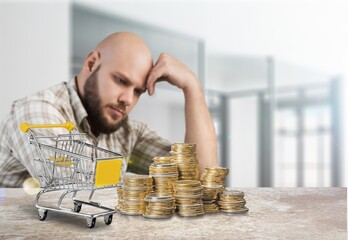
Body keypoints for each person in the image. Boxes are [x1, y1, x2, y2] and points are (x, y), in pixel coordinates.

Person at [0, 32, 218, 187]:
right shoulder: (36, 111)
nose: (127, 100)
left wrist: (192, 87)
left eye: (138, 91)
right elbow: (77, 190)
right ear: (91, 64)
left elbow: (201, 177)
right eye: (121, 80)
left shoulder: (128, 133)